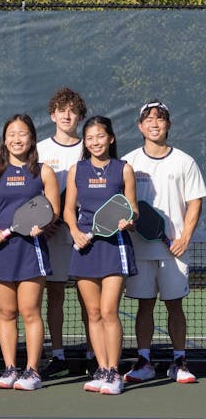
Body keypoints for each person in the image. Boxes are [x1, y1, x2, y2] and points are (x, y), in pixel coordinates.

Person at [122, 100, 205, 384]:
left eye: (160, 118)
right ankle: (144, 361)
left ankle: (179, 361)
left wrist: (184, 238)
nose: (154, 123)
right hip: (139, 250)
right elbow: (123, 203)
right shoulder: (129, 162)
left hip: (174, 251)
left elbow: (195, 202)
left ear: (168, 124)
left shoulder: (185, 161)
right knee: (144, 306)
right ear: (139, 126)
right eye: (148, 119)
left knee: (175, 305)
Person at [0, 113, 59, 391]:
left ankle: (32, 371)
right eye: (11, 134)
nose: (16, 139)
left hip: (32, 250)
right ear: (4, 139)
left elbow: (53, 210)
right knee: (6, 312)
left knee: (30, 311)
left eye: (22, 133)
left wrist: (43, 225)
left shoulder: (43, 171)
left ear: (32, 138)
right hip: (2, 248)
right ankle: (10, 369)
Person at [66, 116, 137, 395]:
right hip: (85, 246)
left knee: (108, 311)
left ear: (111, 138)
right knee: (92, 313)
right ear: (86, 142)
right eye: (90, 138)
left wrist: (128, 221)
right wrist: (74, 231)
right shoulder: (76, 170)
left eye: (100, 136)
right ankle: (103, 369)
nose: (95, 142)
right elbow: (68, 209)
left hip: (115, 247)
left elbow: (132, 207)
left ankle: (114, 373)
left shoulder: (124, 169)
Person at [36, 88, 89, 379]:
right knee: (54, 295)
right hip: (52, 236)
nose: (67, 115)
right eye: (61, 110)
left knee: (88, 298)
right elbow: (35, 190)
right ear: (53, 114)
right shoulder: (41, 149)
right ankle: (57, 355)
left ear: (80, 115)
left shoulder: (90, 146)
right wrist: (49, 219)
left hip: (86, 235)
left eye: (72, 110)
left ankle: (95, 354)